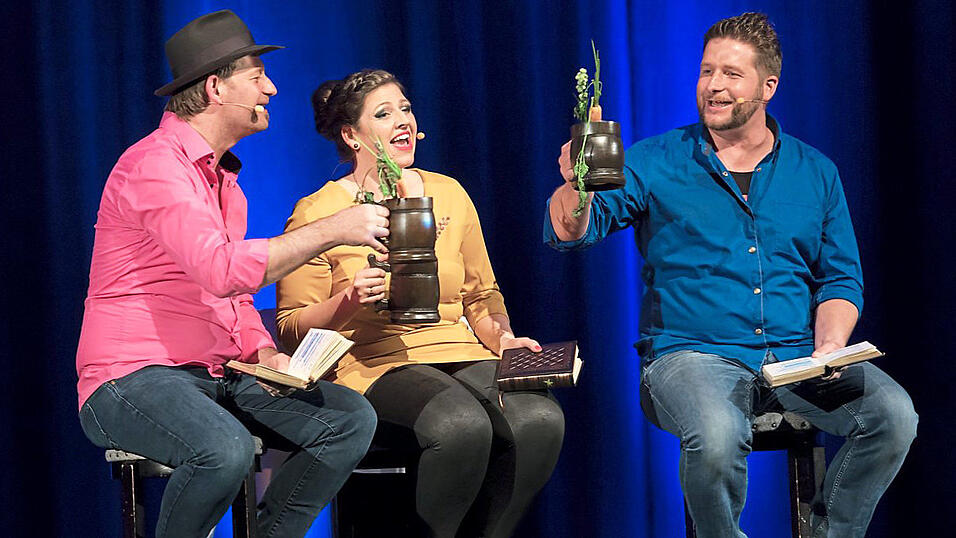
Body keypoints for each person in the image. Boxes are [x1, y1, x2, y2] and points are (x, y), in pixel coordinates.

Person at [544, 12, 916, 538]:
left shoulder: (816, 172)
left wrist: (830, 345)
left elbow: (840, 279)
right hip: (691, 355)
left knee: (893, 416)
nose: (713, 86)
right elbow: (576, 230)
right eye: (706, 71)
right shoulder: (654, 160)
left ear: (768, 86)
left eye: (730, 74)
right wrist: (574, 186)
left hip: (796, 357)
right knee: (717, 438)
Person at [76, 11, 387, 538]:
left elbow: (233, 298)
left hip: (216, 375)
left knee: (348, 419)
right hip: (131, 377)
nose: (272, 87)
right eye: (256, 75)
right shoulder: (154, 166)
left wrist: (263, 353)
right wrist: (333, 229)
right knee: (224, 449)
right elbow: (221, 272)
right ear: (217, 87)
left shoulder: (225, 182)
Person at [275, 69, 565, 538]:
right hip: (371, 363)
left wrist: (504, 339)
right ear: (351, 135)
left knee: (539, 419)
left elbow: (481, 294)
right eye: (384, 113)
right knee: (459, 424)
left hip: (459, 350)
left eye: (406, 108)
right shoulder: (320, 213)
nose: (402, 121)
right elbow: (291, 326)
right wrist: (349, 300)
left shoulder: (447, 192)